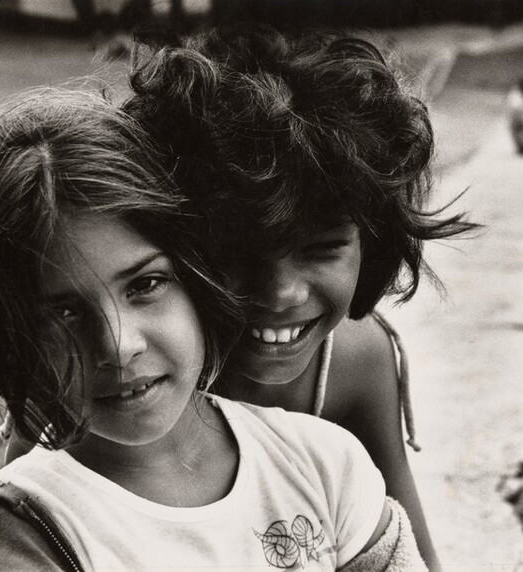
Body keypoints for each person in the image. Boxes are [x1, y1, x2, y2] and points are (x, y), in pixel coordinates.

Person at [0, 87, 427, 571]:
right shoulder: (13, 532)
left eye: (146, 284)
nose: (118, 345)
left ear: (195, 277)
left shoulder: (326, 465)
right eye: (63, 312)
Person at [122, 26, 478, 571]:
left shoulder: (354, 362)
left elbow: (406, 554)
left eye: (321, 249)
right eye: (239, 250)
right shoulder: (113, 374)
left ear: (373, 245)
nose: (282, 291)